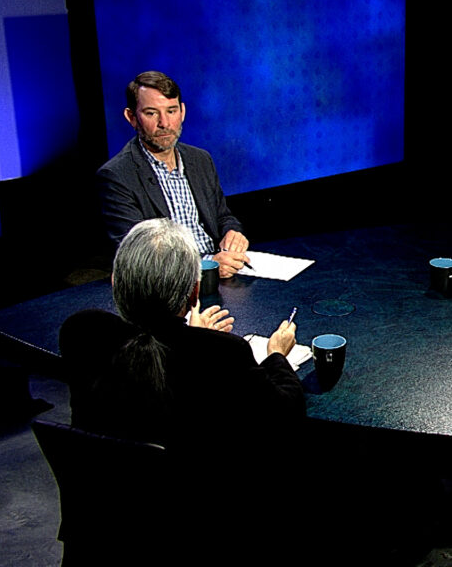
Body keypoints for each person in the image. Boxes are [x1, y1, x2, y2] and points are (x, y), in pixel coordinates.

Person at [57, 218, 305, 560]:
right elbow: (286, 412)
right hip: (190, 536)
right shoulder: (222, 354)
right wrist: (277, 355)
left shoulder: (82, 333)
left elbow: (153, 349)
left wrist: (192, 332)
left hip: (99, 534)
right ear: (193, 293)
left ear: (115, 282)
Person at [96, 70, 251, 278]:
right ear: (132, 117)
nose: (165, 123)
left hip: (222, 273)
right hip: (172, 286)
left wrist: (233, 233)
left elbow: (223, 216)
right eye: (151, 113)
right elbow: (138, 257)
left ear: (183, 112)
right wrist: (207, 266)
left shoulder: (200, 160)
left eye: (171, 111)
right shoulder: (117, 176)